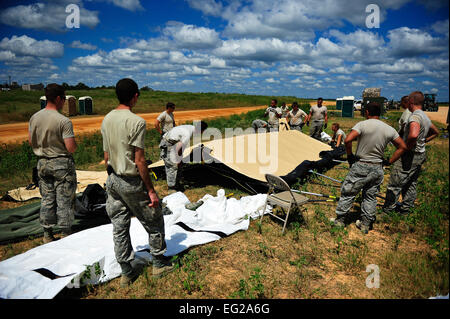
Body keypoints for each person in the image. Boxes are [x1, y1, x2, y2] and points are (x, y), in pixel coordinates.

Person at [101, 78, 173, 287]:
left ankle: (126, 272)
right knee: (154, 219)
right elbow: (140, 160)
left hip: (112, 179)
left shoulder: (107, 119)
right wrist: (150, 191)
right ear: (135, 96)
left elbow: (106, 155)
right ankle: (159, 263)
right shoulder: (136, 122)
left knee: (119, 226)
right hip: (131, 181)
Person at [330, 102, 407, 234]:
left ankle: (340, 220)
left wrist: (350, 156)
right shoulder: (389, 129)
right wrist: (389, 161)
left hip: (361, 164)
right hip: (377, 167)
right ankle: (365, 224)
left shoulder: (362, 125)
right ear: (380, 113)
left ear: (367, 113)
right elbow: (403, 147)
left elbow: (348, 140)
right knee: (370, 196)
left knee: (349, 192)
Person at [28, 83, 78, 243]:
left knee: (47, 198)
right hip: (61, 164)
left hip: (42, 163)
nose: (64, 101)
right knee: (64, 198)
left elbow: (31, 141)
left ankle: (47, 234)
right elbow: (70, 148)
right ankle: (65, 233)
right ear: (58, 98)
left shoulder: (34, 118)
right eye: (64, 98)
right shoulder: (63, 121)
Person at [383, 91, 439, 215]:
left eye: (408, 101)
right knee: (410, 183)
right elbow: (435, 132)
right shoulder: (424, 116)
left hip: (410, 155)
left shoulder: (414, 117)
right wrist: (423, 141)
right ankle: (406, 209)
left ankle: (388, 211)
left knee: (395, 183)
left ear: (411, 102)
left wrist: (406, 147)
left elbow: (413, 135)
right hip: (420, 154)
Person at [159, 120, 208, 194]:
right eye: (203, 131)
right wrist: (178, 159)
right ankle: (171, 188)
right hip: (168, 144)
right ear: (201, 130)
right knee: (172, 166)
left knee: (177, 164)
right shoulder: (188, 133)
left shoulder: (191, 128)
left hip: (171, 142)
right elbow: (179, 147)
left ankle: (176, 184)